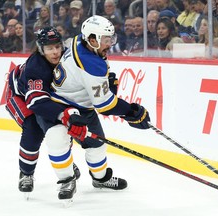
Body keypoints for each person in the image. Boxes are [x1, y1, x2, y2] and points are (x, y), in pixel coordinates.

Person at [39, 15, 150, 201]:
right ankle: (66, 180)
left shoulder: (78, 41)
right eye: (106, 40)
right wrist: (130, 111)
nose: (110, 43)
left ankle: (100, 178)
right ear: (92, 40)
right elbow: (105, 106)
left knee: (98, 144)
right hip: (57, 105)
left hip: (82, 105)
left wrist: (105, 83)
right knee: (57, 140)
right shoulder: (91, 62)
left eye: (111, 39)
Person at [5, 26, 81, 197]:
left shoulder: (68, 57)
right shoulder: (35, 67)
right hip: (21, 96)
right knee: (33, 128)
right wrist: (62, 114)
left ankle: (65, 161)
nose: (55, 52)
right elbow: (36, 103)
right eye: (49, 48)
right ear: (41, 49)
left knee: (63, 129)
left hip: (47, 97)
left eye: (57, 46)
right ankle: (26, 173)